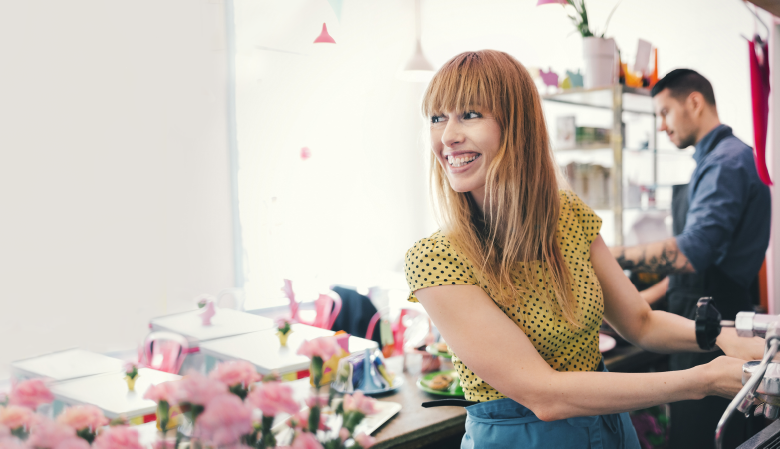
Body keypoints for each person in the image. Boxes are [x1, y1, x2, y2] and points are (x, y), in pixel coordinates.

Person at [403, 51, 766, 449]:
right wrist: (705, 379)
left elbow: (641, 322)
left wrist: (720, 336)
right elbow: (546, 395)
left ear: (517, 125)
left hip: (609, 431)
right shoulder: (436, 259)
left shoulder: (569, 216)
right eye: (437, 118)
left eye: (469, 114)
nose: (448, 135)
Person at [610, 69, 772, 448]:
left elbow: (692, 253)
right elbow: (688, 273)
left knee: (702, 437)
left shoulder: (726, 164)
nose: (662, 126)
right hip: (696, 318)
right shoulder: (713, 161)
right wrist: (635, 304)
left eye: (665, 112)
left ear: (694, 102)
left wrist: (608, 256)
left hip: (717, 325)